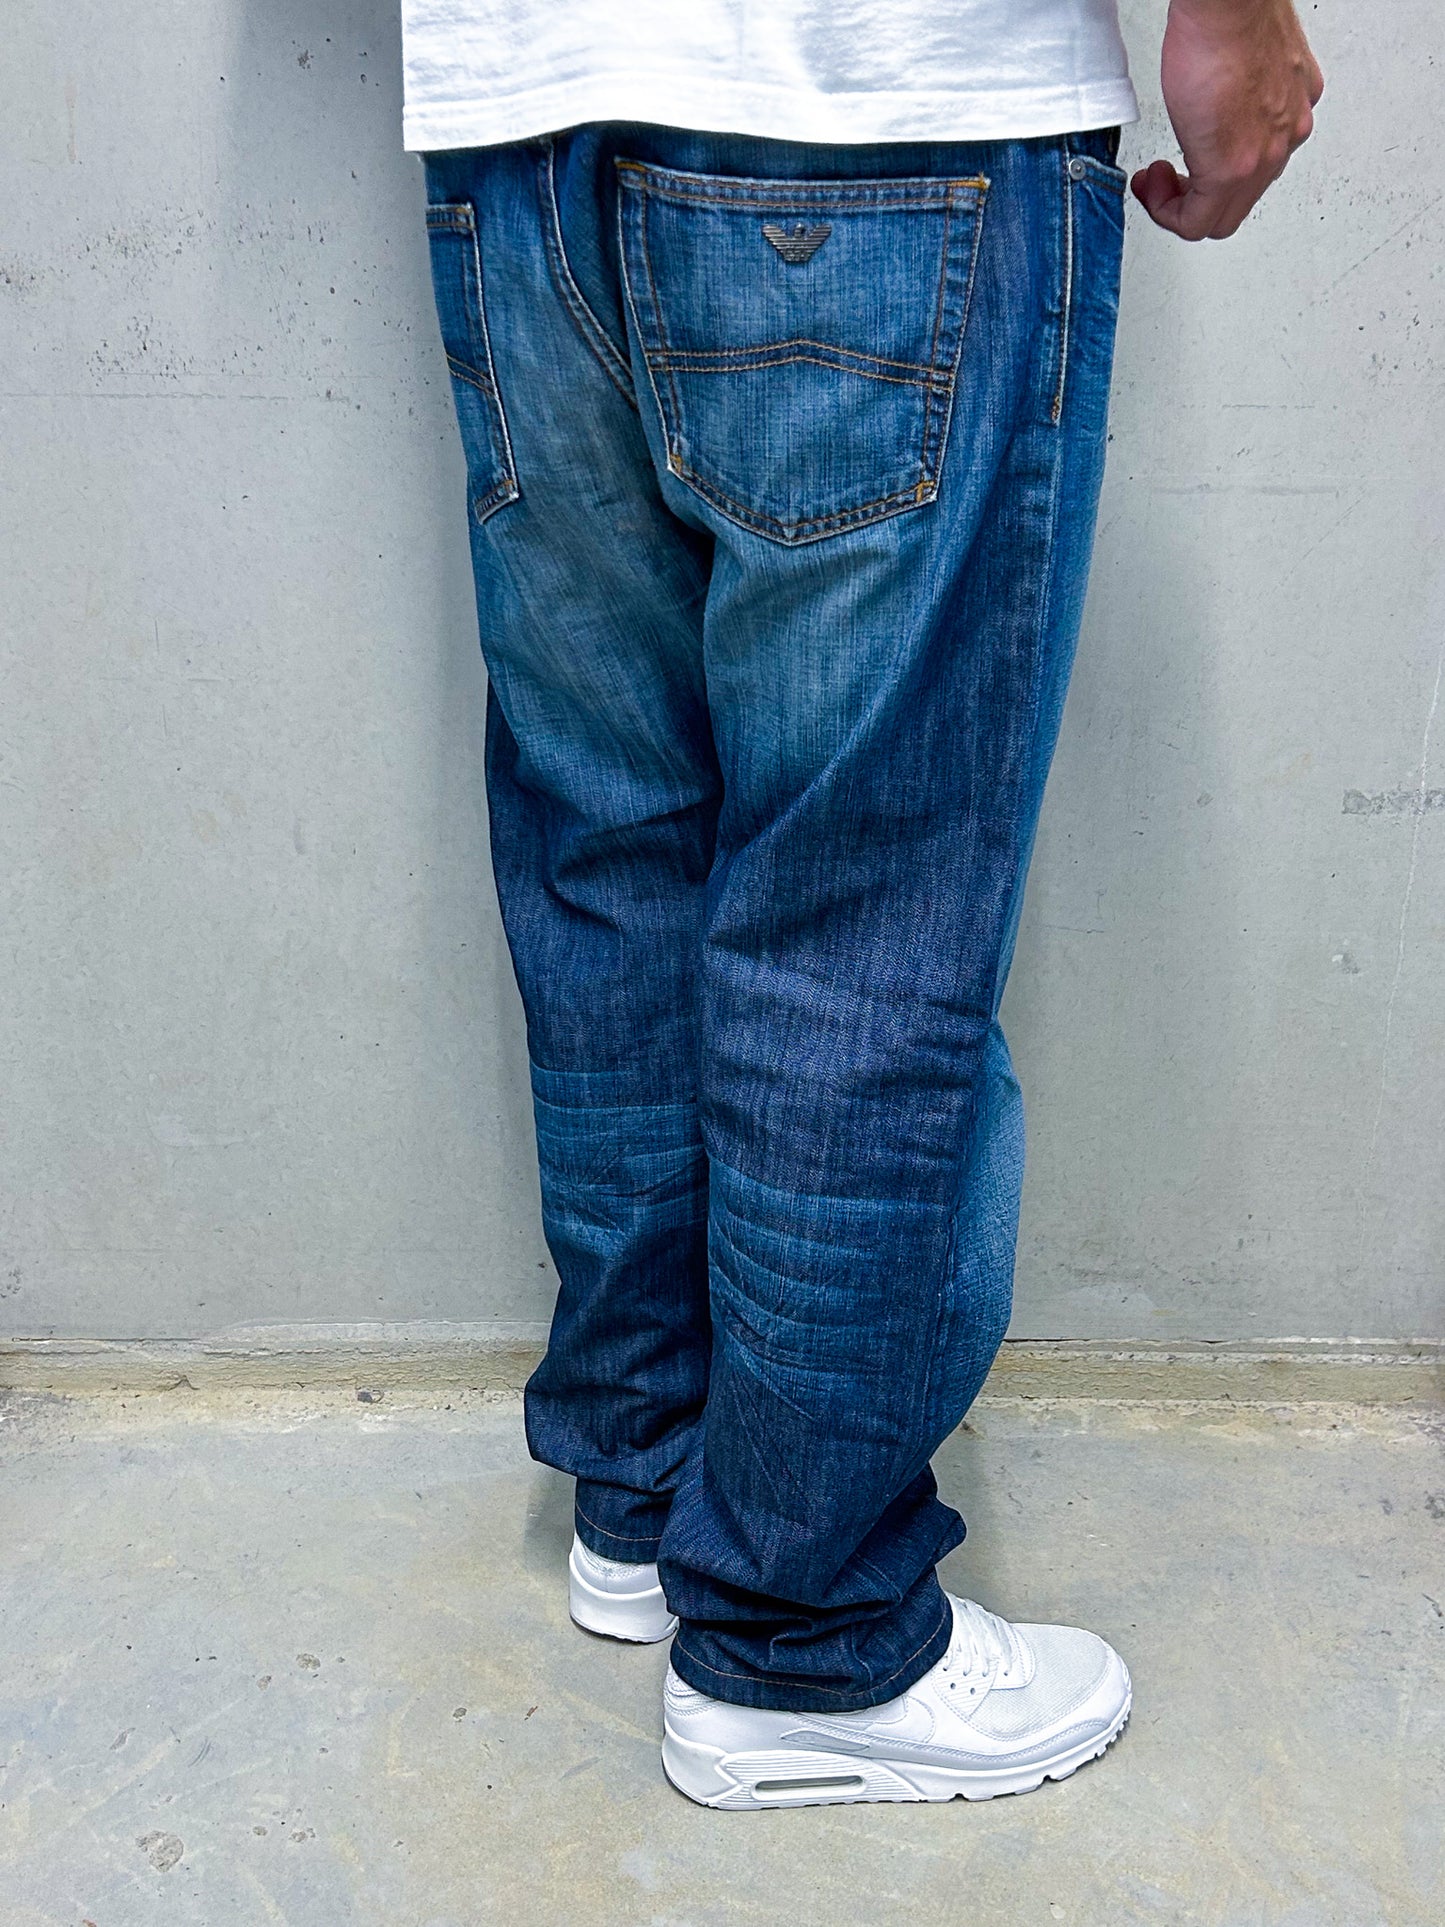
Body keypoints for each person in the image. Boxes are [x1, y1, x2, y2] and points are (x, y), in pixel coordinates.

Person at [401, 0, 1322, 1808]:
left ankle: (650, 1489)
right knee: (858, 914)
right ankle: (800, 1639)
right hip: (884, 107)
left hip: (519, 133)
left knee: (613, 852)